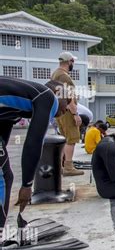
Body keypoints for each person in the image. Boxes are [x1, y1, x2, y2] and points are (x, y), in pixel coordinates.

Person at [0, 77, 70, 239]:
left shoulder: (16, 109)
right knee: (4, 178)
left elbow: (2, 138)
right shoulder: (47, 97)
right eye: (67, 101)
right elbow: (34, 142)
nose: (67, 109)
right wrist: (27, 185)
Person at [52, 51, 83, 176]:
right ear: (69, 62)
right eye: (72, 61)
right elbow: (68, 96)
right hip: (67, 111)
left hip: (59, 110)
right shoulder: (64, 76)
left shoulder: (56, 73)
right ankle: (68, 167)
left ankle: (60, 166)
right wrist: (75, 114)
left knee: (64, 139)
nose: (73, 64)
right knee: (72, 138)